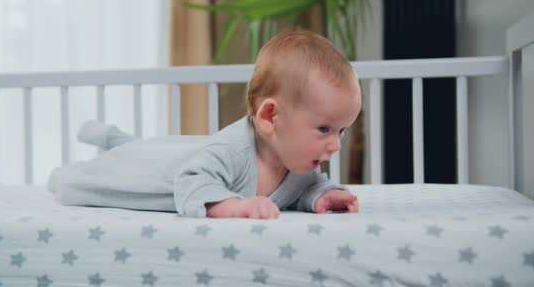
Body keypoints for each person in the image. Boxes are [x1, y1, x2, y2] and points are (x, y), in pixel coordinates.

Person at [48, 30, 361, 219]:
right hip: (166, 173)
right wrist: (231, 207)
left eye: (341, 130)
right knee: (123, 169)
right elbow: (190, 180)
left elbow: (303, 188)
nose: (335, 144)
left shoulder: (297, 163)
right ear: (270, 118)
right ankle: (94, 154)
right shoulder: (233, 150)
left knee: (162, 147)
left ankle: (119, 139)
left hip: (188, 152)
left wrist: (322, 196)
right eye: (324, 129)